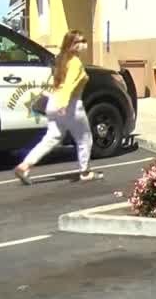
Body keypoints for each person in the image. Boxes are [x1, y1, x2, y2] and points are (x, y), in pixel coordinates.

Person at [12, 30, 103, 184]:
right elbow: (69, 85)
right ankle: (85, 172)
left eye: (83, 40)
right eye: (79, 42)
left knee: (51, 138)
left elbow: (57, 83)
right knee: (84, 139)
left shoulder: (61, 60)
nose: (83, 44)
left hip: (53, 102)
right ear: (71, 45)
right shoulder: (75, 62)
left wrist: (60, 102)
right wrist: (64, 103)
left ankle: (25, 165)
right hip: (70, 105)